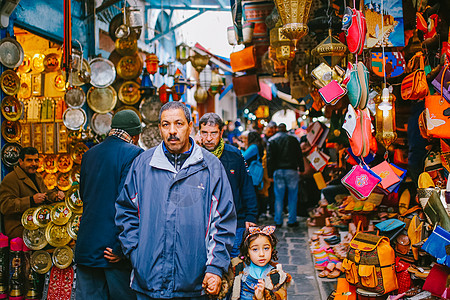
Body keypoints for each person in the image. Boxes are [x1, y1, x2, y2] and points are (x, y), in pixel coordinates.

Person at [115, 102, 237, 299]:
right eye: (166, 124)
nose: (172, 131)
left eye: (179, 123)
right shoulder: (143, 164)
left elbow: (223, 221)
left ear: (190, 125)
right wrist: (137, 254)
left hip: (194, 282)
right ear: (159, 128)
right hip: (149, 281)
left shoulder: (210, 167)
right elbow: (126, 211)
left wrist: (215, 267)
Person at [75, 110, 143, 300]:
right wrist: (122, 247)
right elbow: (129, 202)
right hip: (112, 250)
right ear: (135, 135)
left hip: (87, 245)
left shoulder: (89, 154)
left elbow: (84, 195)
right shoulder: (135, 154)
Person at [198, 113, 257, 258]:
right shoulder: (194, 156)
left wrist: (251, 216)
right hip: (203, 224)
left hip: (234, 222)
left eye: (213, 133)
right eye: (204, 133)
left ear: (221, 133)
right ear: (199, 132)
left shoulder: (234, 155)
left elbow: (246, 185)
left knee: (233, 264)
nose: (209, 138)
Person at [0, 147, 64, 238]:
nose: (33, 164)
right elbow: (5, 206)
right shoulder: (11, 179)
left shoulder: (37, 176)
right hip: (19, 228)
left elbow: (45, 193)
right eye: (29, 160)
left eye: (36, 160)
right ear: (20, 161)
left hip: (36, 224)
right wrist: (31, 200)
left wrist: (55, 196)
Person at [230, 226, 292, 300]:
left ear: (272, 249)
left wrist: (263, 297)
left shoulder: (276, 276)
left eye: (266, 248)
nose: (261, 254)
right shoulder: (238, 268)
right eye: (255, 249)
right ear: (247, 252)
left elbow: (281, 297)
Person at [267, 123, 304, 227]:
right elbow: (299, 155)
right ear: (286, 129)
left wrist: (270, 174)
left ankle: (278, 220)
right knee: (292, 196)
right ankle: (292, 220)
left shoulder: (272, 140)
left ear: (278, 129)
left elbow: (269, 159)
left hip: (278, 171)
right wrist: (301, 169)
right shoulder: (293, 140)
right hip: (291, 170)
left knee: (278, 197)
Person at [243, 131, 267, 220]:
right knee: (256, 193)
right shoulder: (258, 146)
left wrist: (240, 149)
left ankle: (254, 214)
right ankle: (258, 213)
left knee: (253, 195)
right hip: (257, 174)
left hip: (252, 174)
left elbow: (243, 156)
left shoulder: (253, 147)